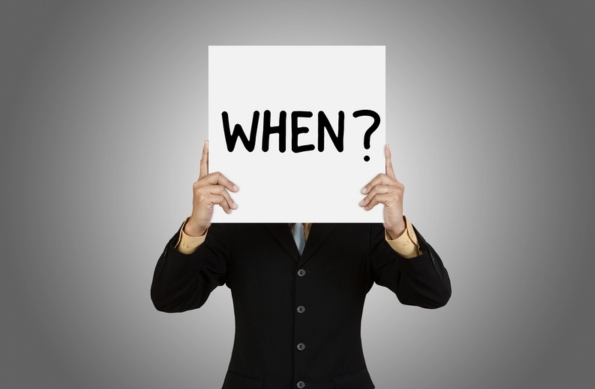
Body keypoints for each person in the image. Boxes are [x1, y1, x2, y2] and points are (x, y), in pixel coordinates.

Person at [151, 140, 451, 389]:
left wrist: (398, 229)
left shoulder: (364, 223)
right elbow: (171, 299)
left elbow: (431, 295)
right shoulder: (234, 221)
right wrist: (195, 227)